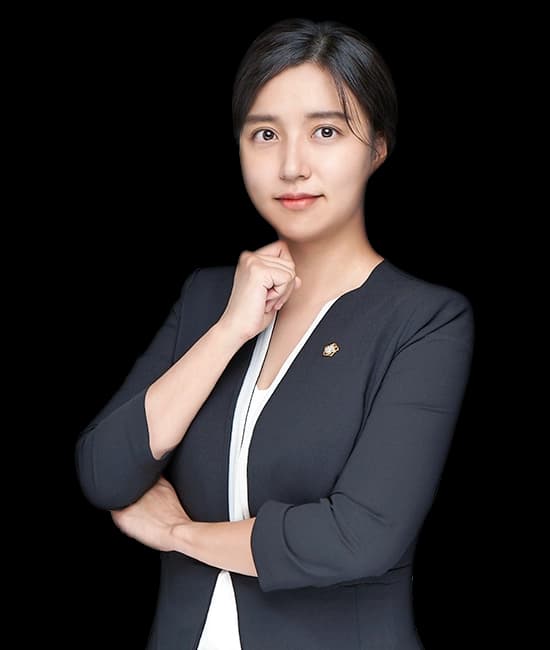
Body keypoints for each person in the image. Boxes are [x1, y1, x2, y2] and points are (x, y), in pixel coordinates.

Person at [75, 17, 474, 650]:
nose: (291, 166)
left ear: (378, 147)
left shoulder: (424, 319)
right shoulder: (208, 297)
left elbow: (358, 537)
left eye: (325, 131)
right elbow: (104, 472)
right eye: (265, 133)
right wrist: (230, 329)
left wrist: (179, 534)